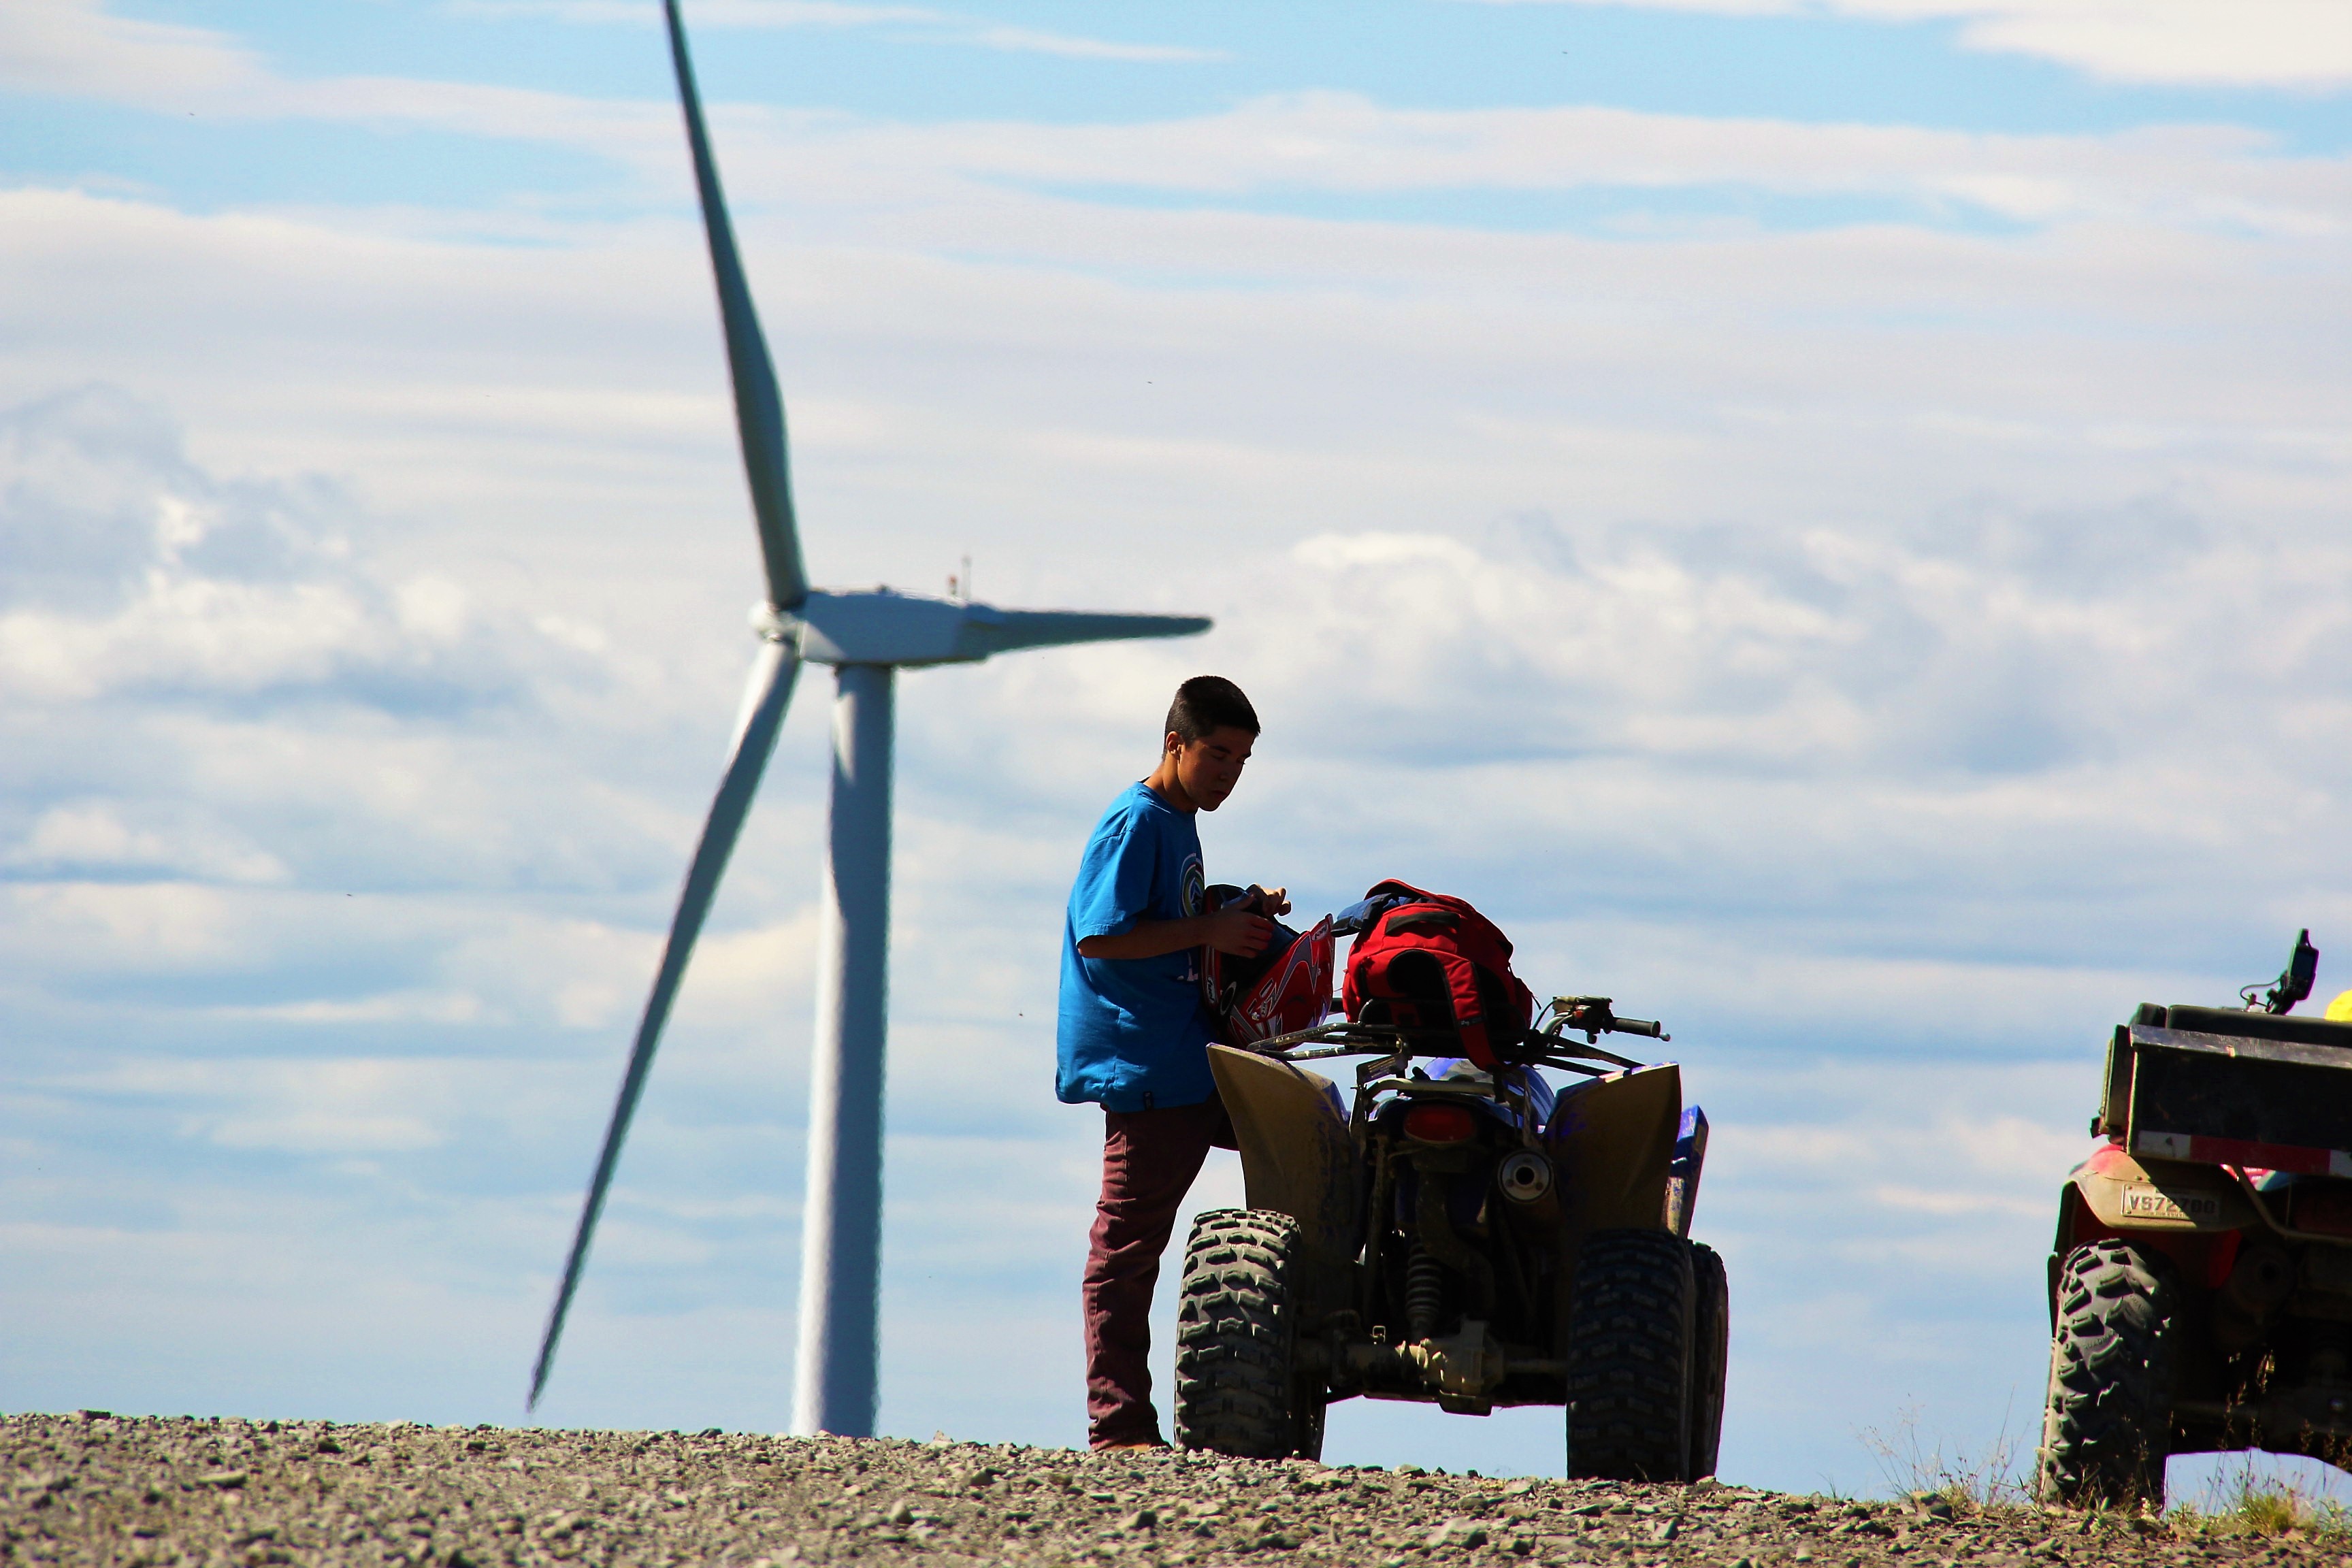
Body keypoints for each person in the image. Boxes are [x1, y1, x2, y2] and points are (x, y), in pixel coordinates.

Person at [1058, 674, 1287, 1450]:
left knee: (1310, 1152)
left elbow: (1175, 918)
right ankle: (1119, 1427)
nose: (1229, 771)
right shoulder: (1138, 822)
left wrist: (1234, 910)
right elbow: (1103, 935)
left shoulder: (1180, 822)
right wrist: (1208, 933)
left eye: (1243, 760)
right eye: (1218, 754)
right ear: (1174, 744)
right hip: (1148, 1068)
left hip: (1193, 1059)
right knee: (1125, 1249)